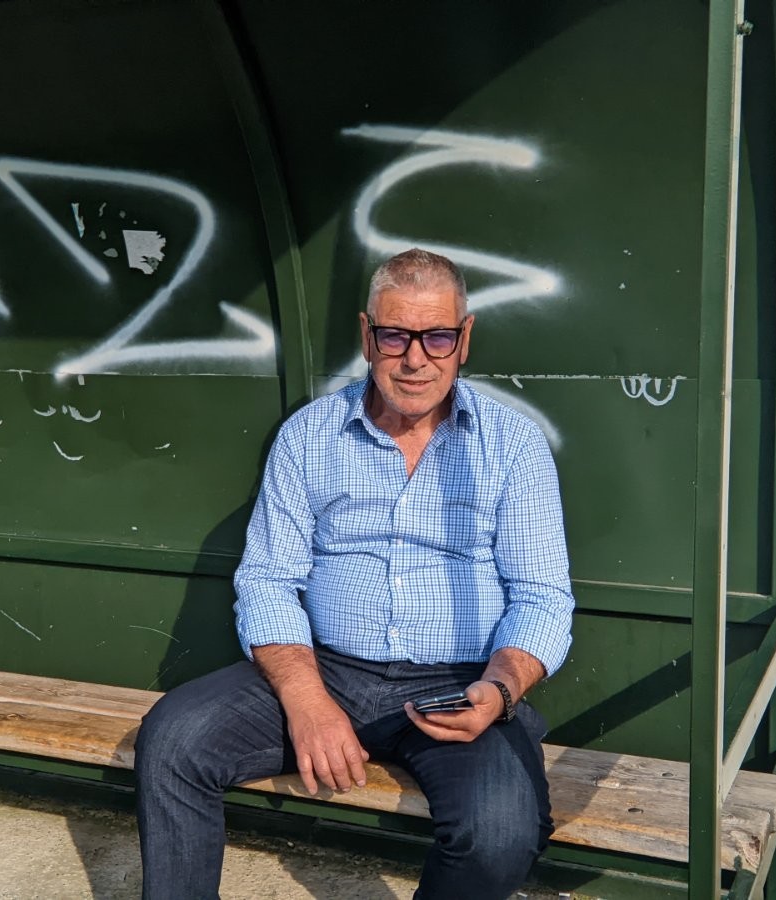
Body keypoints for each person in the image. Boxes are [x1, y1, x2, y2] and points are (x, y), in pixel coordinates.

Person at [134, 248, 574, 899]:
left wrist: (501, 689)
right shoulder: (308, 436)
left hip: (457, 686)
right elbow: (268, 580)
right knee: (173, 740)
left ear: (465, 339)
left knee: (501, 833)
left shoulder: (512, 445)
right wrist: (308, 702)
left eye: (437, 337)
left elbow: (542, 598)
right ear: (368, 336)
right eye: (395, 336)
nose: (416, 359)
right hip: (328, 669)